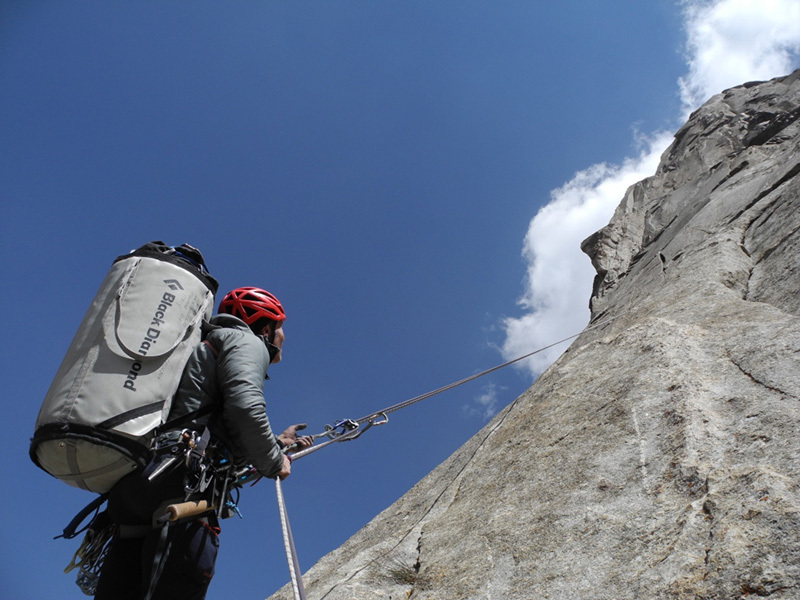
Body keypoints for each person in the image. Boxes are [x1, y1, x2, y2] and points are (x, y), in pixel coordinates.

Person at [93, 286, 313, 600]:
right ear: (266, 328)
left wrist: (277, 442)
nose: (283, 337)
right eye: (280, 328)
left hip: (139, 483)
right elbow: (245, 408)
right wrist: (275, 461)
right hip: (180, 484)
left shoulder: (206, 345)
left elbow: (212, 419)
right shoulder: (246, 341)